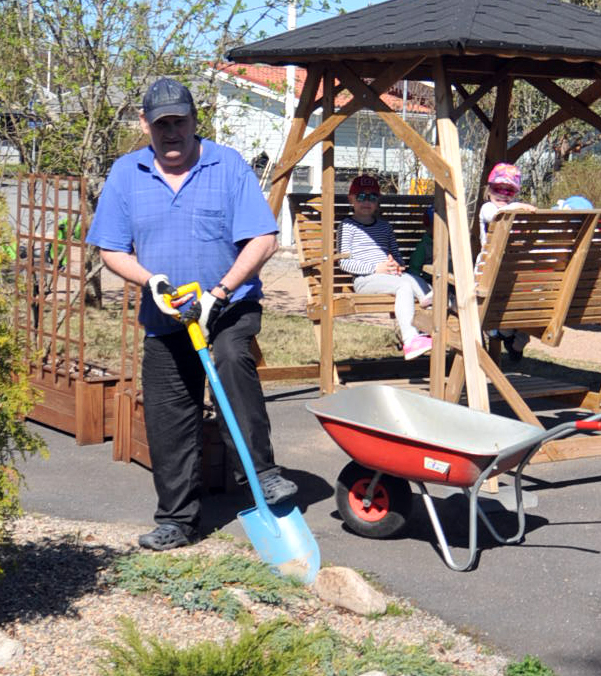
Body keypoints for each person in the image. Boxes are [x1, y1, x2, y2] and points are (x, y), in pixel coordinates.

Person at [87, 78, 295, 552]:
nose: (172, 132)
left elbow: (263, 239)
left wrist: (219, 293)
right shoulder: (126, 173)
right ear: (146, 125)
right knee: (168, 414)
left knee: (229, 359)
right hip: (166, 317)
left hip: (227, 308)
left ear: (194, 119)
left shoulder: (228, 166)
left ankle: (261, 475)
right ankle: (177, 521)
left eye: (180, 121)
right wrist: (150, 282)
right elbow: (111, 249)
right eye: (162, 124)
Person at [339, 174, 434, 360]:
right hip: (365, 280)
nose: (366, 202)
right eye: (361, 197)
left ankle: (430, 317)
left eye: (372, 197)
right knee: (404, 286)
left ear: (378, 201)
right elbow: (344, 262)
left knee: (416, 281)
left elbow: (397, 255)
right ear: (351, 199)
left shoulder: (385, 227)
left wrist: (395, 265)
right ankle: (410, 339)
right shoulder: (347, 226)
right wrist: (376, 268)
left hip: (389, 276)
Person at [479, 162, 536, 362]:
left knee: (504, 310)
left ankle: (506, 335)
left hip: (504, 276)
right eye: (498, 188)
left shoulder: (516, 212)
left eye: (509, 190)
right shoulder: (488, 208)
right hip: (490, 274)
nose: (503, 194)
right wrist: (517, 206)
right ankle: (508, 336)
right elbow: (497, 216)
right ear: (488, 190)